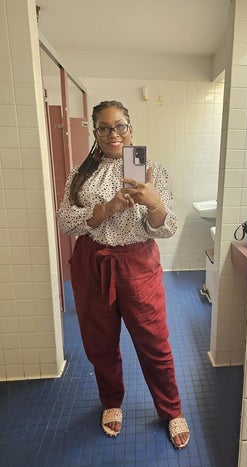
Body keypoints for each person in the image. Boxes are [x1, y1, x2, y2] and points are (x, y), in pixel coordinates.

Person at [57, 100, 190, 449]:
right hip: (92, 263)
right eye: (104, 127)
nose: (113, 134)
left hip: (138, 265)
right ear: (95, 132)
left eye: (120, 126)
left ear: (131, 128)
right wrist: (107, 209)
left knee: (154, 342)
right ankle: (112, 401)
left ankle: (171, 409)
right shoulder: (81, 174)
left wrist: (155, 203)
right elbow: (65, 221)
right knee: (99, 342)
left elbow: (167, 228)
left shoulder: (153, 171)